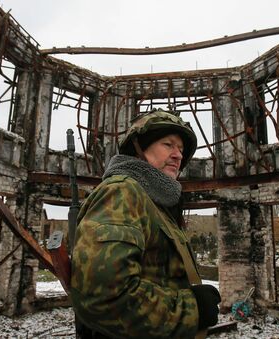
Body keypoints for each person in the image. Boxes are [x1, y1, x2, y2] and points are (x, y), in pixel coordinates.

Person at [70, 109, 221, 338]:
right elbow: (105, 296)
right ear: (139, 148)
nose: (178, 155)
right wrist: (192, 309)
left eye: (180, 149)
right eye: (168, 144)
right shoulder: (122, 191)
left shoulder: (155, 203)